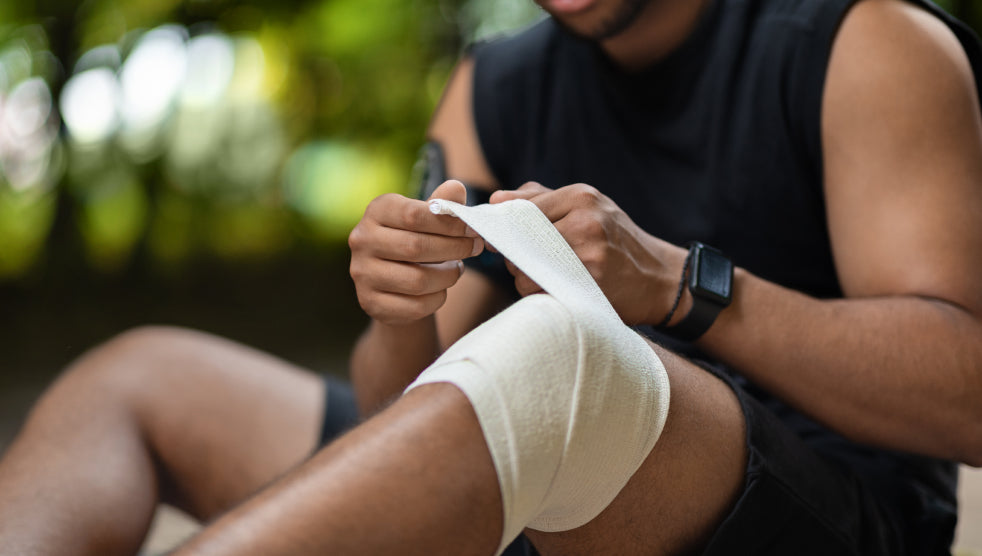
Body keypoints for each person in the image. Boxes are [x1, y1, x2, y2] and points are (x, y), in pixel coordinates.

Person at [1, 0, 981, 554]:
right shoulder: (495, 82)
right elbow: (412, 406)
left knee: (560, 353)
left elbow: (965, 396)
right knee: (138, 376)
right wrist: (399, 312)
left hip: (814, 520)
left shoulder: (862, 40)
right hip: (538, 489)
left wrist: (685, 287)